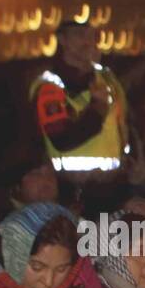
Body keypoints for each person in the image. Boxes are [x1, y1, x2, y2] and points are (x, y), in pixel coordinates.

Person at [28, 19, 129, 198]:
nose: (87, 41)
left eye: (92, 35)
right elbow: (63, 139)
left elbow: (124, 125)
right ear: (62, 39)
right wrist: (98, 108)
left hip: (113, 186)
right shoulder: (51, 86)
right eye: (79, 35)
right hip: (73, 189)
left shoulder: (106, 79)